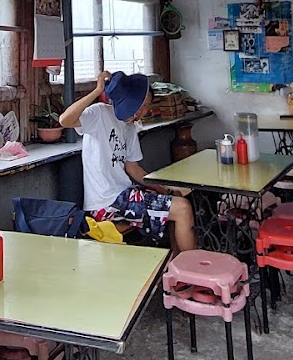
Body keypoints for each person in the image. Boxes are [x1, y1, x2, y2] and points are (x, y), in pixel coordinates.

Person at [59, 70, 196, 255]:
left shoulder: (130, 127)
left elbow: (133, 168)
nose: (143, 111)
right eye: (141, 105)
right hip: (105, 204)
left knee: (176, 199)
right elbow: (65, 120)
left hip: (124, 195)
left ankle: (176, 263)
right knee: (182, 209)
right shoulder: (99, 114)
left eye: (147, 106)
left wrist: (165, 189)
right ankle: (190, 268)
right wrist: (97, 90)